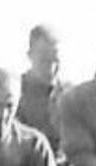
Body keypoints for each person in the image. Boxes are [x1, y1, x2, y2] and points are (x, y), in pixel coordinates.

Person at [17, 24, 70, 158]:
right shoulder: (15, 93)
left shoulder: (72, 94)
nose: (51, 68)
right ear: (30, 56)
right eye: (44, 61)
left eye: (55, 60)